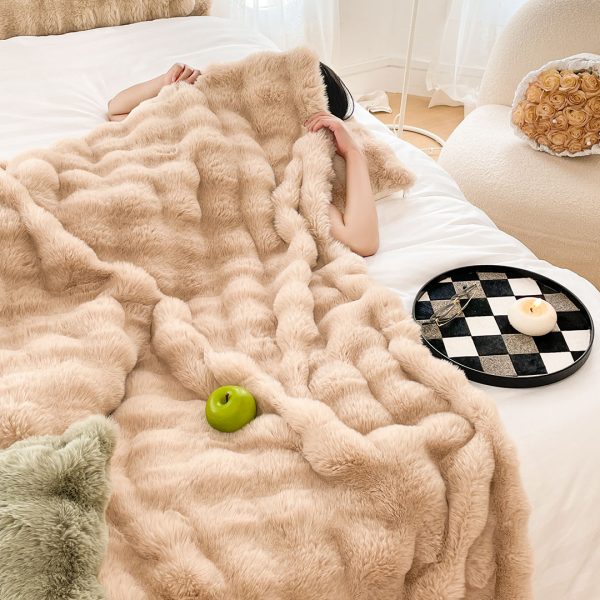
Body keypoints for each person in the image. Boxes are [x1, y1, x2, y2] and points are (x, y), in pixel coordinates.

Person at [107, 62, 378, 257]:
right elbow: (117, 111)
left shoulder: (290, 169)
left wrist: (353, 153)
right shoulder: (219, 114)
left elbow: (362, 241)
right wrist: (164, 85)